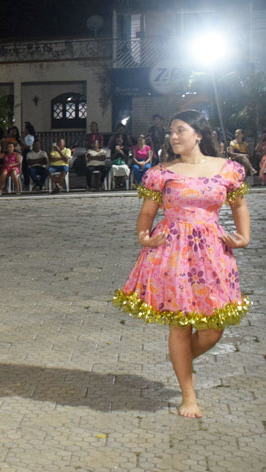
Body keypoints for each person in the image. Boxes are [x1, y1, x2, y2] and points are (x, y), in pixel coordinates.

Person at [114, 109, 250, 419]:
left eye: (180, 130)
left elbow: (239, 205)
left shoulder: (227, 169)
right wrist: (143, 236)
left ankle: (180, 358)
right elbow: (148, 214)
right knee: (180, 323)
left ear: (199, 134)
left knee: (213, 329)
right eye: (171, 132)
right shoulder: (161, 172)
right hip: (172, 252)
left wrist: (243, 237)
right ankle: (189, 396)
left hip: (213, 253)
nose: (173, 136)